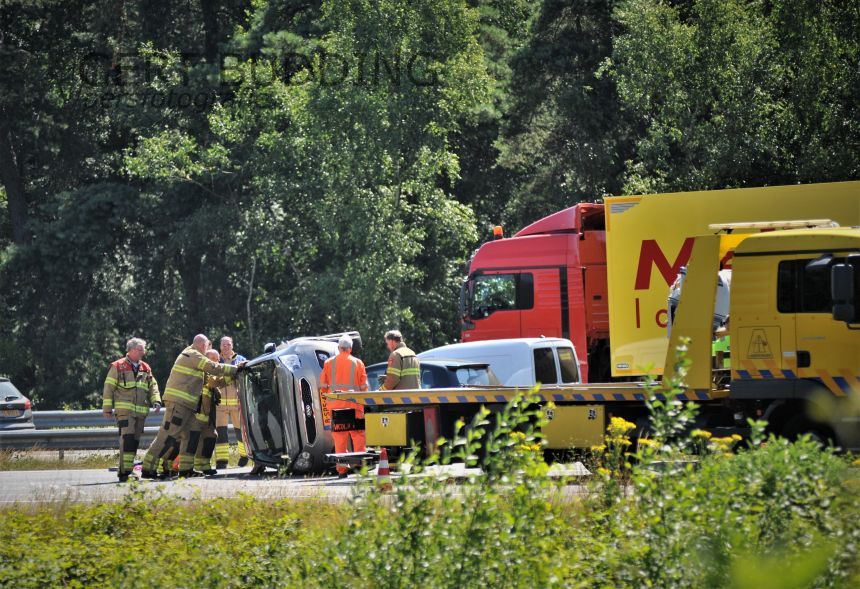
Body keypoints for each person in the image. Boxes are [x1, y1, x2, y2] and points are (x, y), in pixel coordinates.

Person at [140, 334, 243, 479]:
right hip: (179, 403)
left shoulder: (193, 356)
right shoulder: (193, 354)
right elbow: (212, 367)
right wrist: (235, 369)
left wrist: (232, 375)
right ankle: (148, 468)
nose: (207, 350)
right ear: (203, 345)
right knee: (167, 435)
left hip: (187, 406)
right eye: (207, 346)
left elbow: (212, 380)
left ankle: (186, 469)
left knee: (192, 433)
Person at [103, 337, 161, 482]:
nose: (143, 352)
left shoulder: (145, 368)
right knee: (127, 440)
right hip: (125, 413)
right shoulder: (118, 366)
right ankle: (124, 473)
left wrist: (156, 400)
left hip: (140, 413)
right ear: (132, 350)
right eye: (141, 349)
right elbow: (108, 388)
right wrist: (107, 408)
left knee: (134, 442)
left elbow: (153, 386)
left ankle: (128, 470)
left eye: (143, 349)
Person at [319, 334, 368, 478]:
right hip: (355, 406)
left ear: (339, 348)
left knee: (340, 439)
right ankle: (360, 467)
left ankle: (342, 470)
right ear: (350, 349)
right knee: (358, 437)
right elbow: (364, 387)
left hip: (337, 407)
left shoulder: (328, 363)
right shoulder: (358, 363)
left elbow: (323, 387)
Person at [214, 336, 249, 469]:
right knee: (221, 434)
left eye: (228, 344)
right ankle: (221, 461)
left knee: (240, 432)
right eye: (224, 345)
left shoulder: (240, 359)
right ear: (220, 346)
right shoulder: (216, 359)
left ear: (232, 345)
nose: (226, 347)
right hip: (220, 405)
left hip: (236, 403)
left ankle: (244, 456)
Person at [195, 349, 226, 475]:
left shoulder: (212, 374)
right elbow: (214, 382)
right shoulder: (202, 372)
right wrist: (234, 372)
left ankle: (204, 465)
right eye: (213, 359)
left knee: (211, 436)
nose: (216, 362)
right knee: (196, 440)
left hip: (207, 416)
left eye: (218, 359)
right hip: (196, 415)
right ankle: (193, 466)